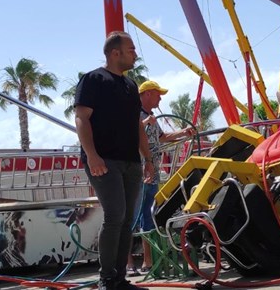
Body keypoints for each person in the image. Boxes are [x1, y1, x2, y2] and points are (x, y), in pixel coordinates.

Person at [74, 31, 154, 290]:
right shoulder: (93, 79)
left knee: (128, 218)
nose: (135, 54)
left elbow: (137, 126)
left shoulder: (131, 86)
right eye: (131, 49)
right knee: (115, 215)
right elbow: (81, 119)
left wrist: (148, 159)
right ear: (115, 53)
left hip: (130, 161)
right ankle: (107, 277)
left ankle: (119, 277)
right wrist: (93, 154)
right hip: (103, 160)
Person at [130, 80, 196, 274]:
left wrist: (182, 133)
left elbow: (161, 137)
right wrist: (144, 123)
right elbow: (128, 135)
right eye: (158, 94)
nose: (160, 98)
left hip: (153, 172)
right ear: (148, 93)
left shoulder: (151, 116)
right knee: (130, 218)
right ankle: (127, 264)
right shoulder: (133, 112)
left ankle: (148, 261)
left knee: (149, 216)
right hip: (137, 172)